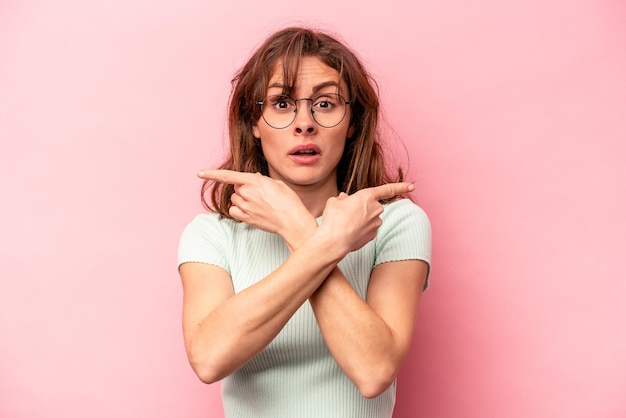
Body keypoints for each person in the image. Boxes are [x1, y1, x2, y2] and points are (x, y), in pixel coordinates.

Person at [178, 26, 431, 418]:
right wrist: (326, 243)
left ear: (353, 124)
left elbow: (373, 371)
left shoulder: (395, 223)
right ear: (253, 124)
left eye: (325, 104)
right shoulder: (211, 235)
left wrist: (296, 227)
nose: (304, 123)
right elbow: (209, 359)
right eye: (282, 104)